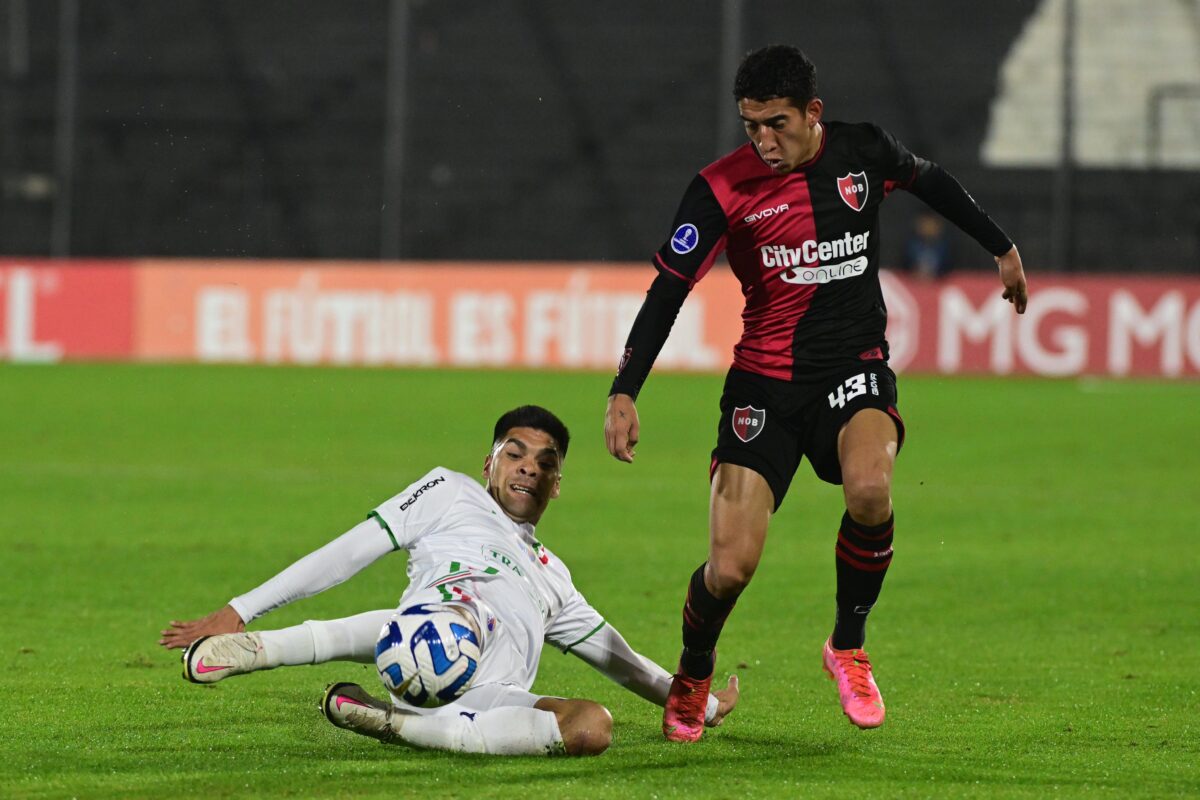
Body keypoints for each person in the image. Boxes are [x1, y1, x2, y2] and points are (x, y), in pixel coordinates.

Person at [603, 45, 1028, 742]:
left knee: (870, 488)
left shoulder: (863, 153)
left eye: (776, 123)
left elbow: (932, 180)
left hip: (852, 370)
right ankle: (693, 670)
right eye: (750, 126)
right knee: (730, 568)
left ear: (813, 113)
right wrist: (626, 388)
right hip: (763, 387)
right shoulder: (720, 188)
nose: (763, 141)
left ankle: (848, 647)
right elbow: (669, 289)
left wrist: (1001, 247)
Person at [161, 405, 739, 756]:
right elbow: (350, 551)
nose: (528, 467)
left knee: (593, 729)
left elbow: (623, 660)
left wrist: (702, 704)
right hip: (417, 639)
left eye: (545, 463)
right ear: (489, 464)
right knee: (446, 619)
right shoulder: (449, 492)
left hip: (490, 700)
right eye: (515, 454)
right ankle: (253, 647)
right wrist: (243, 607)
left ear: (556, 485)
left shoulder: (555, 580)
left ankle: (399, 726)